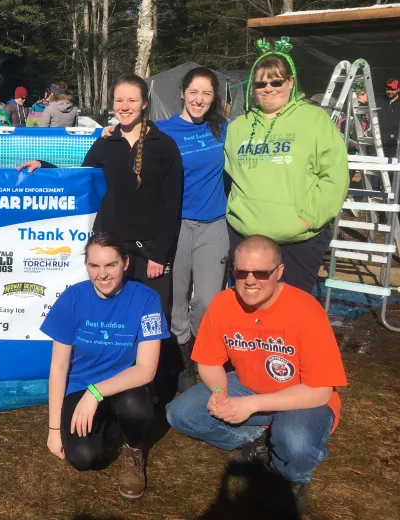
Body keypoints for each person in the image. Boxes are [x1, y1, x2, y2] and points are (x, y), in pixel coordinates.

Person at [165, 235, 347, 514]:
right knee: (180, 414)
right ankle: (259, 437)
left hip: (301, 399)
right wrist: (219, 392)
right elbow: (209, 362)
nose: (250, 281)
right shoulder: (223, 304)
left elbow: (320, 391)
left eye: (261, 273)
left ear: (279, 272)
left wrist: (251, 405)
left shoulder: (306, 309)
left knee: (296, 442)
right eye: (241, 273)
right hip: (248, 386)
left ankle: (294, 478)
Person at [19, 73, 182, 311]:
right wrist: (44, 167)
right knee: (114, 313)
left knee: (153, 316)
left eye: (132, 100)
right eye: (119, 100)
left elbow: (171, 203)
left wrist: (159, 254)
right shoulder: (106, 143)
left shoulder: (164, 145)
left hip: (150, 249)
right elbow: (82, 178)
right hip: (111, 247)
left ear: (145, 103)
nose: (124, 107)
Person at [43, 232, 169, 500]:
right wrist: (54, 429)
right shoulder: (72, 298)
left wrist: (96, 392)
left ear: (125, 263)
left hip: (126, 385)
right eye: (94, 266)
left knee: (135, 407)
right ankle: (106, 424)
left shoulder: (147, 299)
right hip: (81, 386)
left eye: (111, 265)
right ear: (86, 265)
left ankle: (133, 447)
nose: (102, 274)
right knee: (83, 458)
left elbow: (146, 369)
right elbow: (58, 367)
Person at [224, 40, 349, 294]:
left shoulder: (314, 119)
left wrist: (307, 219)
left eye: (276, 82)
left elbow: (335, 176)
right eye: (260, 84)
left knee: (291, 307)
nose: (268, 89)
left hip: (298, 240)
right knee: (247, 304)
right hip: (246, 237)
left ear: (291, 82)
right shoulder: (238, 126)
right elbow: (230, 176)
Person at [155, 67, 230, 392]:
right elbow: (126, 147)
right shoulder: (162, 130)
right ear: (183, 93)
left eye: (206, 94)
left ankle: (204, 354)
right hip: (177, 225)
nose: (199, 99)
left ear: (213, 98)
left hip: (214, 225)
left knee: (209, 301)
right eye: (194, 92)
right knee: (176, 297)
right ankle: (183, 359)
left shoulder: (223, 130)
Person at [378, 78, 400, 158]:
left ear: (398, 89)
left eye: (393, 89)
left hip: (395, 145)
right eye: (388, 89)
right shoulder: (379, 100)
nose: (389, 91)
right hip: (379, 143)